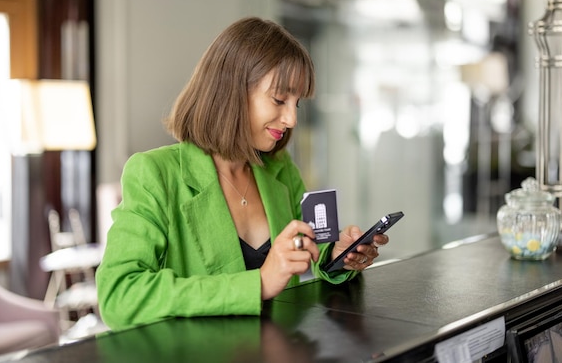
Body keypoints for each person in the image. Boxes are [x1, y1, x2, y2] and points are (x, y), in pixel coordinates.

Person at [95, 17, 389, 331]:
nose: (291, 119)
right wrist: (258, 284)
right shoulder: (155, 174)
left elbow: (308, 250)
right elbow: (117, 297)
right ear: (230, 91)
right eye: (279, 99)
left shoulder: (279, 169)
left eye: (296, 104)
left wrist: (338, 256)